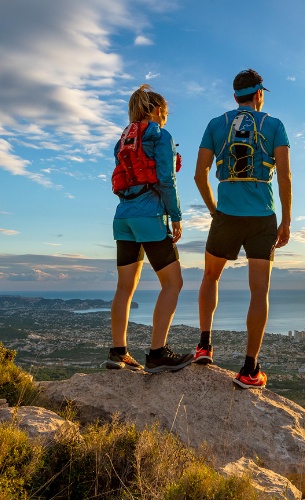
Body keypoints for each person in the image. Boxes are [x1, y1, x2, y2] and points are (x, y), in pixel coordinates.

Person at [194, 69, 292, 389]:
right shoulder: (275, 126)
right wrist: (286, 221)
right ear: (259, 94)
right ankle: (250, 369)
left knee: (211, 276)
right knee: (258, 291)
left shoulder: (215, 125)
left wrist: (214, 211)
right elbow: (285, 177)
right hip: (262, 217)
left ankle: (204, 347)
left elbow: (200, 175)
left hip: (227, 214)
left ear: (235, 97)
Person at [105, 84, 193, 373]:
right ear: (157, 110)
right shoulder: (161, 136)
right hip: (149, 215)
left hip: (123, 217)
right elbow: (166, 181)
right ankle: (157, 353)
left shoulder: (123, 142)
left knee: (124, 288)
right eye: (165, 112)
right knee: (173, 283)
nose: (165, 118)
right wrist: (176, 216)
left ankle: (119, 352)